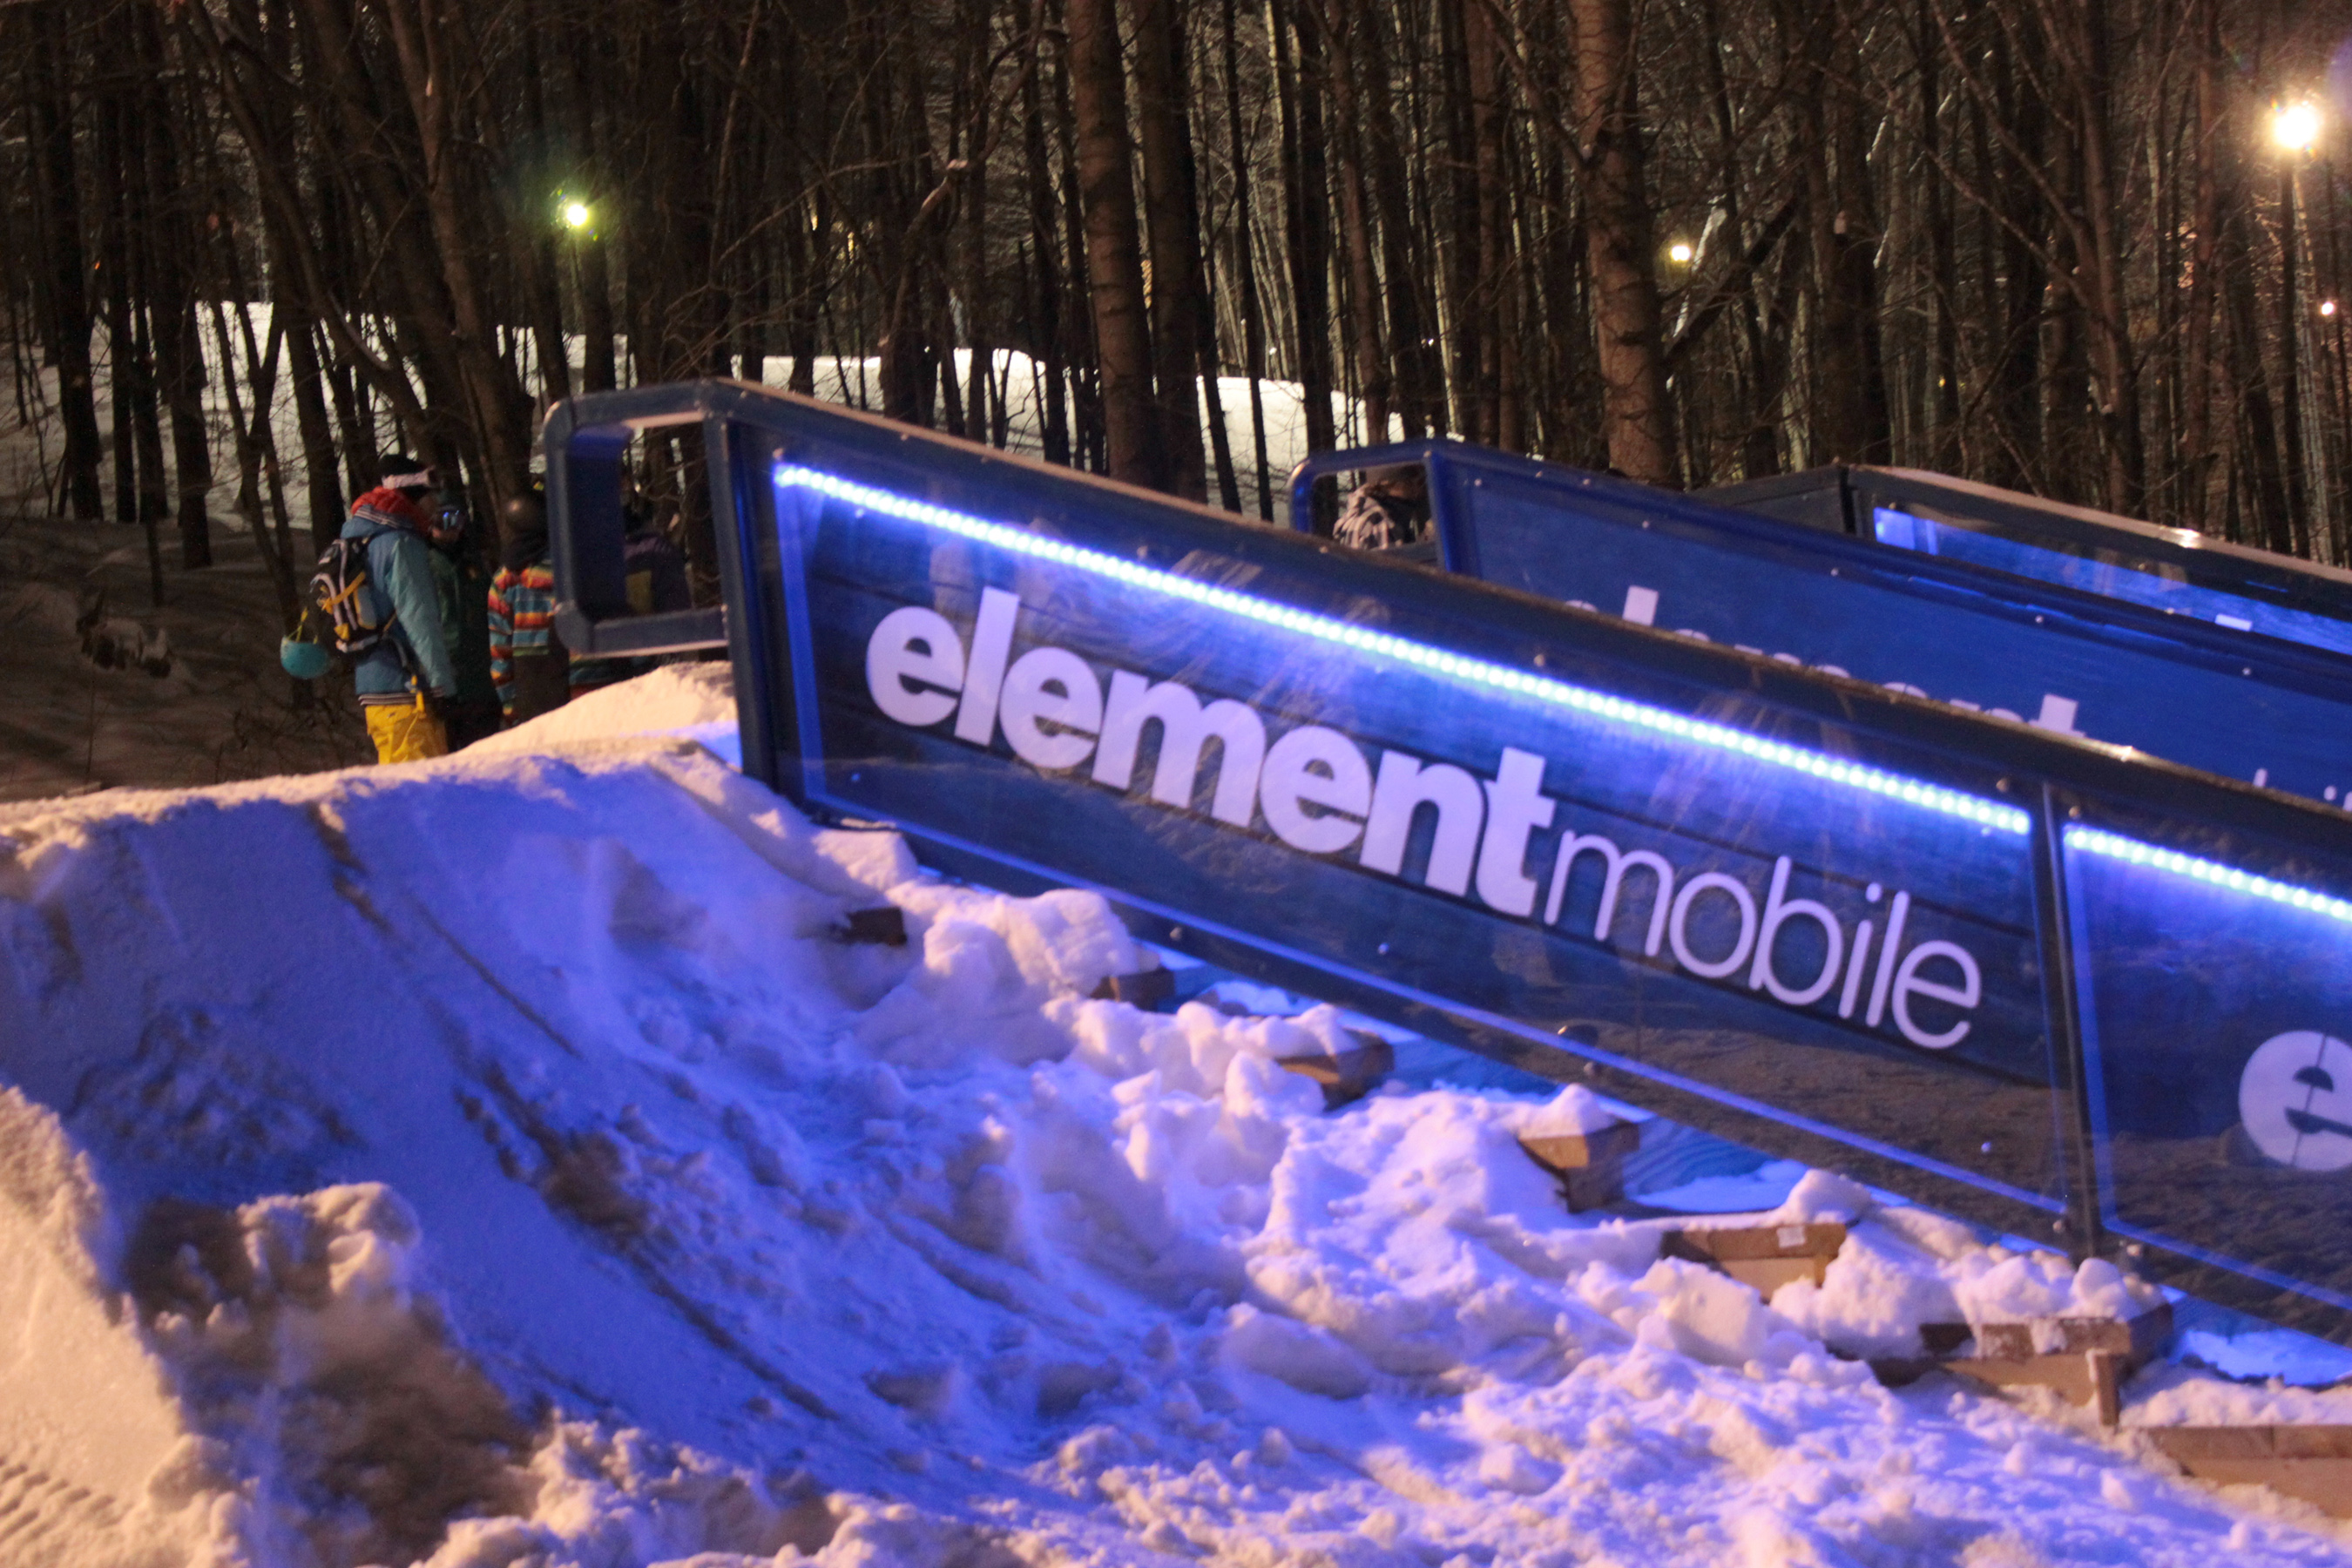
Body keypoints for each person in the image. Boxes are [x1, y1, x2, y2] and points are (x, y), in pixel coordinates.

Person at [345, 455, 458, 763]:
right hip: (409, 693)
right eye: (432, 496)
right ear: (415, 495)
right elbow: (421, 620)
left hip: (375, 693)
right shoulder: (401, 544)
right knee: (420, 789)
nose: (436, 506)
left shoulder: (359, 537)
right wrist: (443, 689)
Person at [423, 488, 503, 749]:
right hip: (445, 678)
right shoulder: (423, 562)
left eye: (456, 519)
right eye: (443, 520)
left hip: (480, 678)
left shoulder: (476, 561)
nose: (451, 529)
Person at [487, 483, 571, 727]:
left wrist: (510, 707)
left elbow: (500, 651)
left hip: (531, 691)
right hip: (581, 685)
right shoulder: (574, 569)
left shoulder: (504, 580)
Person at [1333, 464, 1431, 551]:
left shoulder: (1364, 514)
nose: (1417, 490)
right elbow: (1395, 565)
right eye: (1413, 482)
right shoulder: (1378, 523)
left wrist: (1425, 540)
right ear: (1391, 484)